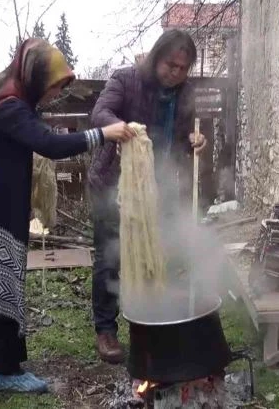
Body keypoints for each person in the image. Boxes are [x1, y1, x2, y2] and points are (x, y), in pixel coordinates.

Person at [0, 38, 134, 392]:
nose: (52, 97)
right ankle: (4, 369)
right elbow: (50, 144)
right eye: (52, 89)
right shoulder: (10, 107)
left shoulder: (5, 97)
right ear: (34, 78)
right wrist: (103, 134)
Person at [87, 29, 207, 364]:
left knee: (156, 254)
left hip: (156, 189)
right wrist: (121, 128)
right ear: (157, 58)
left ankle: (152, 318)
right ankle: (106, 330)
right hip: (113, 184)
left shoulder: (184, 94)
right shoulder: (126, 80)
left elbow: (183, 137)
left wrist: (195, 139)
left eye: (183, 68)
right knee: (110, 257)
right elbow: (100, 114)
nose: (176, 72)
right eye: (171, 64)